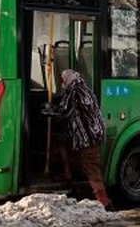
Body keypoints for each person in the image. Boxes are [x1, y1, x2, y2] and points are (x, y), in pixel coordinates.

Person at [46, 69, 113, 209]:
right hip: (94, 134)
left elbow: (65, 110)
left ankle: (104, 202)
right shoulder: (85, 88)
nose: (62, 83)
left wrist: (49, 110)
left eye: (63, 80)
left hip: (86, 137)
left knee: (91, 167)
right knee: (82, 161)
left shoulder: (74, 91)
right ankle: (74, 187)